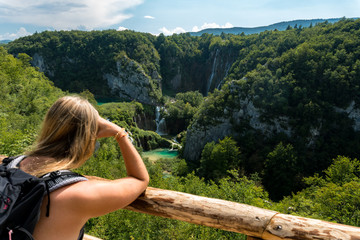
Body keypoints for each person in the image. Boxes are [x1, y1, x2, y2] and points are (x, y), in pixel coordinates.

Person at [11, 96, 149, 240]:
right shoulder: (79, 194)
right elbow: (139, 179)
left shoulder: (10, 165)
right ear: (88, 136)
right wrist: (119, 133)